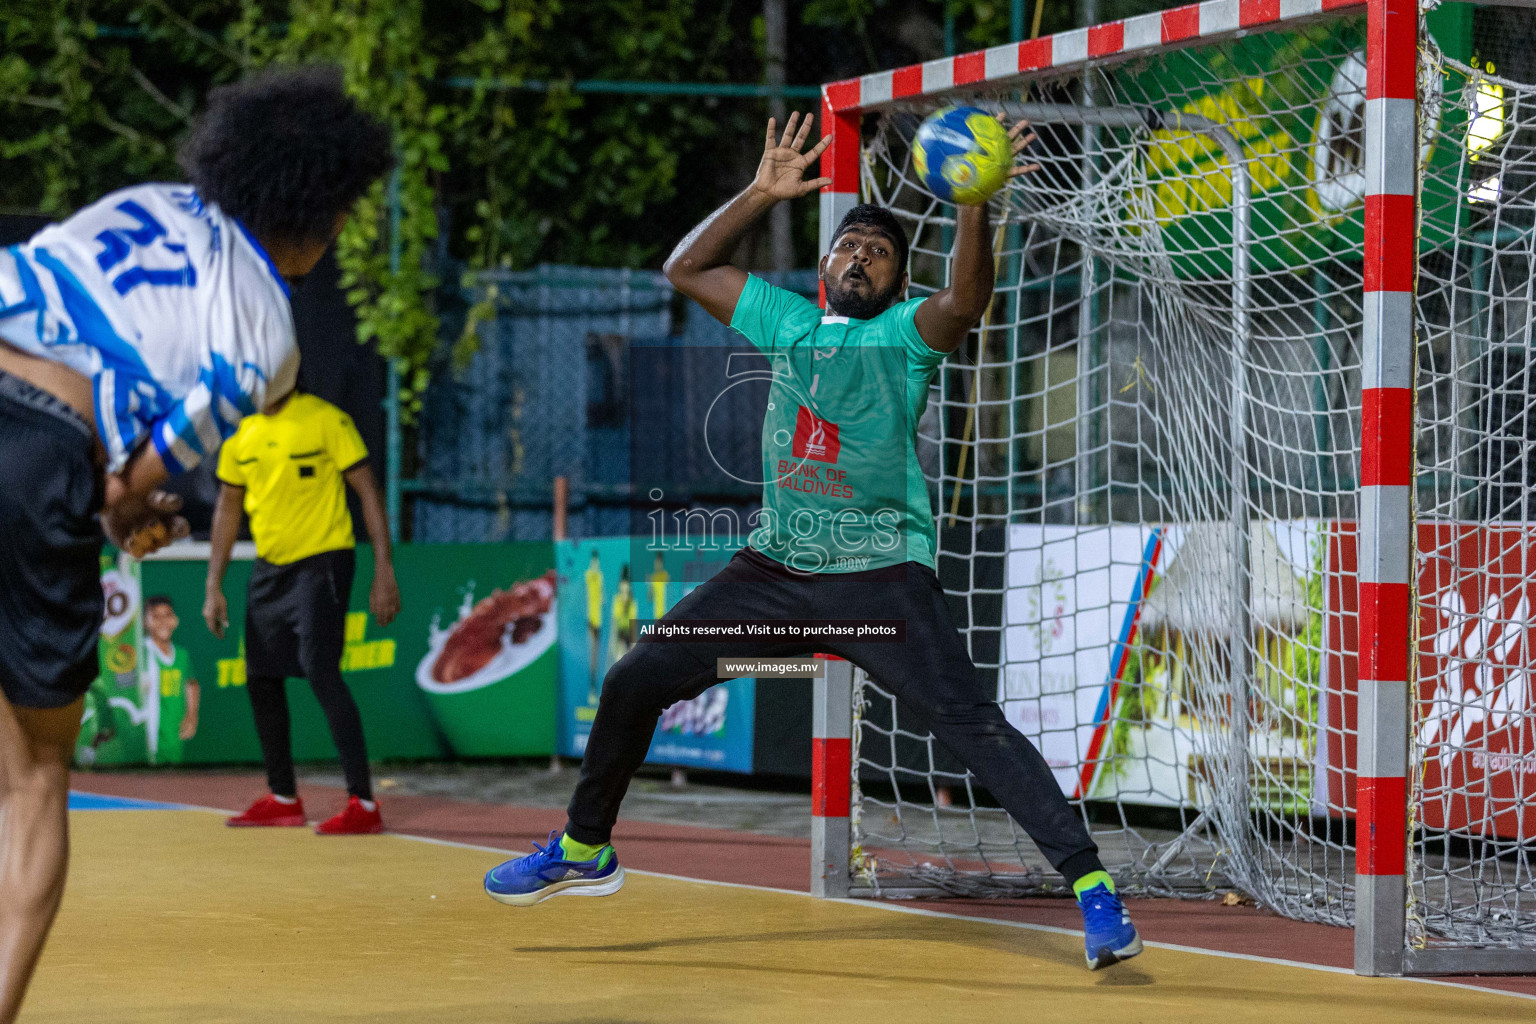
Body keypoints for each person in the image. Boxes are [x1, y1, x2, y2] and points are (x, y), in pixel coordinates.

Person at [484, 112, 1142, 971]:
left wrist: (975, 202)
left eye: (879, 251)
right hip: (774, 572)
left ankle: (1094, 891)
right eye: (848, 245)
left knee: (973, 728)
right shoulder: (786, 322)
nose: (860, 256)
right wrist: (761, 191)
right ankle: (584, 848)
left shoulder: (905, 338)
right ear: (825, 265)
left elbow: (965, 302)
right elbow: (685, 268)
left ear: (899, 277)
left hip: (879, 581)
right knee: (636, 675)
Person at [0, 65, 392, 1023]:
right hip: (36, 446)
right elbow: (118, 489)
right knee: (34, 780)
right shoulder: (266, 338)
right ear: (321, 211)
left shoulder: (152, 199)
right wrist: (132, 515)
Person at [204, 390, 401, 835]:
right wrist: (213, 584)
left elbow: (368, 491)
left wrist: (383, 568)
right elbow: (228, 505)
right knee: (259, 676)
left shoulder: (326, 419)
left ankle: (364, 803)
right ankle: (283, 798)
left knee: (321, 670)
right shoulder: (242, 433)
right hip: (269, 568)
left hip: (324, 562)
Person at [142, 595, 200, 765]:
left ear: (175, 620)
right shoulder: (141, 653)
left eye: (168, 615)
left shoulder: (182, 655)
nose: (163, 622)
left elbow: (191, 683)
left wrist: (192, 714)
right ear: (146, 622)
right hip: (149, 738)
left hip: (174, 735)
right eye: (156, 617)